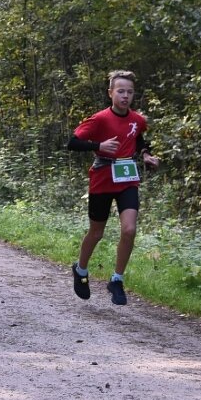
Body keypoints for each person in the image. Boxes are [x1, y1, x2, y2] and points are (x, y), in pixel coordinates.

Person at [67, 70, 159, 305]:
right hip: (102, 179)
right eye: (120, 91)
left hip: (127, 179)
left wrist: (146, 155)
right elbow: (73, 142)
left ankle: (117, 279)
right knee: (96, 232)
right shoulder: (99, 119)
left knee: (129, 229)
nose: (125, 96)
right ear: (111, 93)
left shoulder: (138, 119)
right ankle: (81, 269)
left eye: (129, 92)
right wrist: (98, 145)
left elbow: (138, 139)